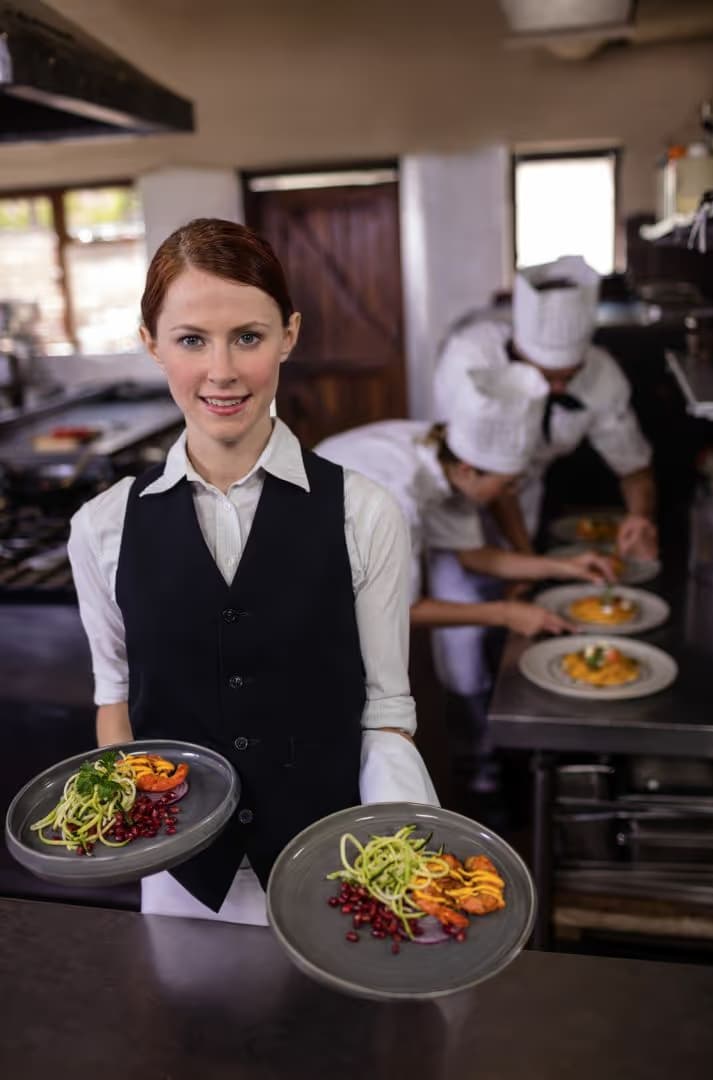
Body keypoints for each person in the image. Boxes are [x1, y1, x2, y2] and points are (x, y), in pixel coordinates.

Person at [67, 217, 437, 925]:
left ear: (289, 335)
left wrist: (399, 860)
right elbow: (115, 703)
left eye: (249, 336)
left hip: (334, 863)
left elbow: (387, 712)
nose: (223, 371)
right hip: (179, 875)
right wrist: (135, 828)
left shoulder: (364, 512)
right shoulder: (101, 527)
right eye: (190, 340)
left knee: (338, 1037)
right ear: (151, 343)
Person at [315, 363, 614, 640]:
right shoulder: (396, 498)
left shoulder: (443, 459)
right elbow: (396, 611)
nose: (511, 494)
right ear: (468, 470)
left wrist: (566, 567)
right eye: (507, 484)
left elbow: (474, 555)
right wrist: (505, 614)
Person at [433, 255, 657, 559]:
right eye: (548, 377)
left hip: (524, 499)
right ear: (519, 353)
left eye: (570, 375)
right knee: (467, 596)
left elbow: (633, 465)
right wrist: (526, 557)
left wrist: (640, 516)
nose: (560, 389)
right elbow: (484, 469)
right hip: (456, 504)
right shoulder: (470, 360)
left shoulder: (602, 374)